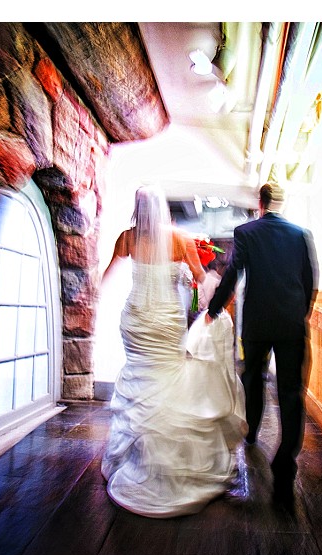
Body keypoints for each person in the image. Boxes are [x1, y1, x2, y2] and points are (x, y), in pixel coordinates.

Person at [99, 185, 247, 518]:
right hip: (164, 320)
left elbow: (108, 273)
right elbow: (199, 280)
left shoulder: (126, 237)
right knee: (167, 377)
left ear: (138, 209)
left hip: (135, 319)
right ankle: (167, 456)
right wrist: (210, 304)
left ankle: (139, 453)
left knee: (140, 379)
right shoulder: (179, 238)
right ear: (161, 208)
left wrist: (92, 292)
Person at [206, 182, 317, 506]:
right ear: (279, 202)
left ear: (260, 203)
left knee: (252, 379)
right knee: (291, 392)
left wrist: (213, 309)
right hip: (291, 324)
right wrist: (301, 314)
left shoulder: (247, 232)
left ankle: (252, 431)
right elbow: (310, 278)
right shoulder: (300, 235)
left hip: (256, 323)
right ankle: (285, 463)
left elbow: (233, 273)